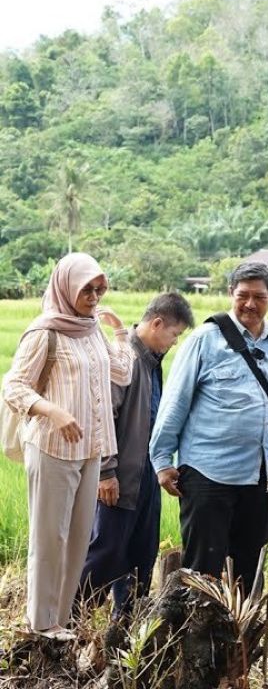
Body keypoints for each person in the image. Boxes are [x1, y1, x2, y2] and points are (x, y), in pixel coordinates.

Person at [150, 262, 268, 590]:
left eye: (259, 297)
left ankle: (239, 638)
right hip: (208, 473)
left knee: (247, 569)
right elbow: (174, 402)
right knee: (202, 571)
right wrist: (162, 461)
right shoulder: (204, 341)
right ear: (230, 294)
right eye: (243, 295)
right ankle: (198, 637)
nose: (250, 304)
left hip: (263, 477)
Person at [2, 253, 133, 640]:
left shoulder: (91, 329)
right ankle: (40, 622)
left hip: (90, 449)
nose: (93, 297)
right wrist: (53, 412)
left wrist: (121, 333)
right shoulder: (45, 332)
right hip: (51, 448)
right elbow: (13, 386)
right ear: (65, 288)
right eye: (85, 290)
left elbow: (122, 373)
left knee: (77, 538)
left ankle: (59, 619)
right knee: (49, 535)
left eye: (99, 289)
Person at [79, 293, 195, 616]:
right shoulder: (126, 356)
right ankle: (68, 624)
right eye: (175, 334)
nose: (174, 342)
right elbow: (102, 416)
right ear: (157, 323)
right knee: (107, 552)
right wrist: (105, 471)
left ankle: (128, 628)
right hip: (120, 474)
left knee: (141, 554)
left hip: (146, 473)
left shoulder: (152, 362)